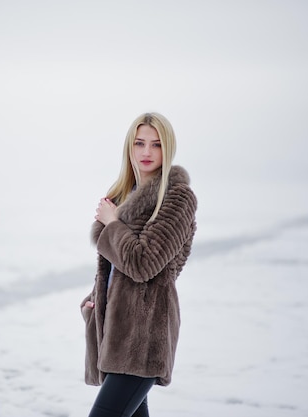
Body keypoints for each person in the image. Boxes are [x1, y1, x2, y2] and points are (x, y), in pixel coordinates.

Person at [80, 112, 197, 417]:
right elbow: (114, 270)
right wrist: (94, 301)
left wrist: (113, 224)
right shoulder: (122, 196)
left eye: (156, 145)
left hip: (144, 337)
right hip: (117, 334)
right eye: (140, 143)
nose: (146, 152)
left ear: (167, 150)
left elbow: (143, 264)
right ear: (129, 147)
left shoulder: (177, 197)